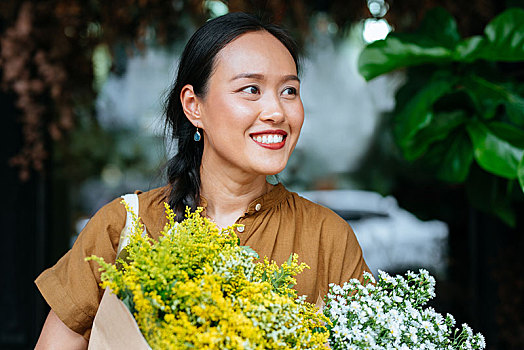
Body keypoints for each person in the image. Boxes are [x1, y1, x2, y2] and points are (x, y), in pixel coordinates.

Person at [35, 12, 369, 348]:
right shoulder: (123, 227)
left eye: (289, 91)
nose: (277, 112)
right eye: (251, 89)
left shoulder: (327, 239)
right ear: (194, 106)